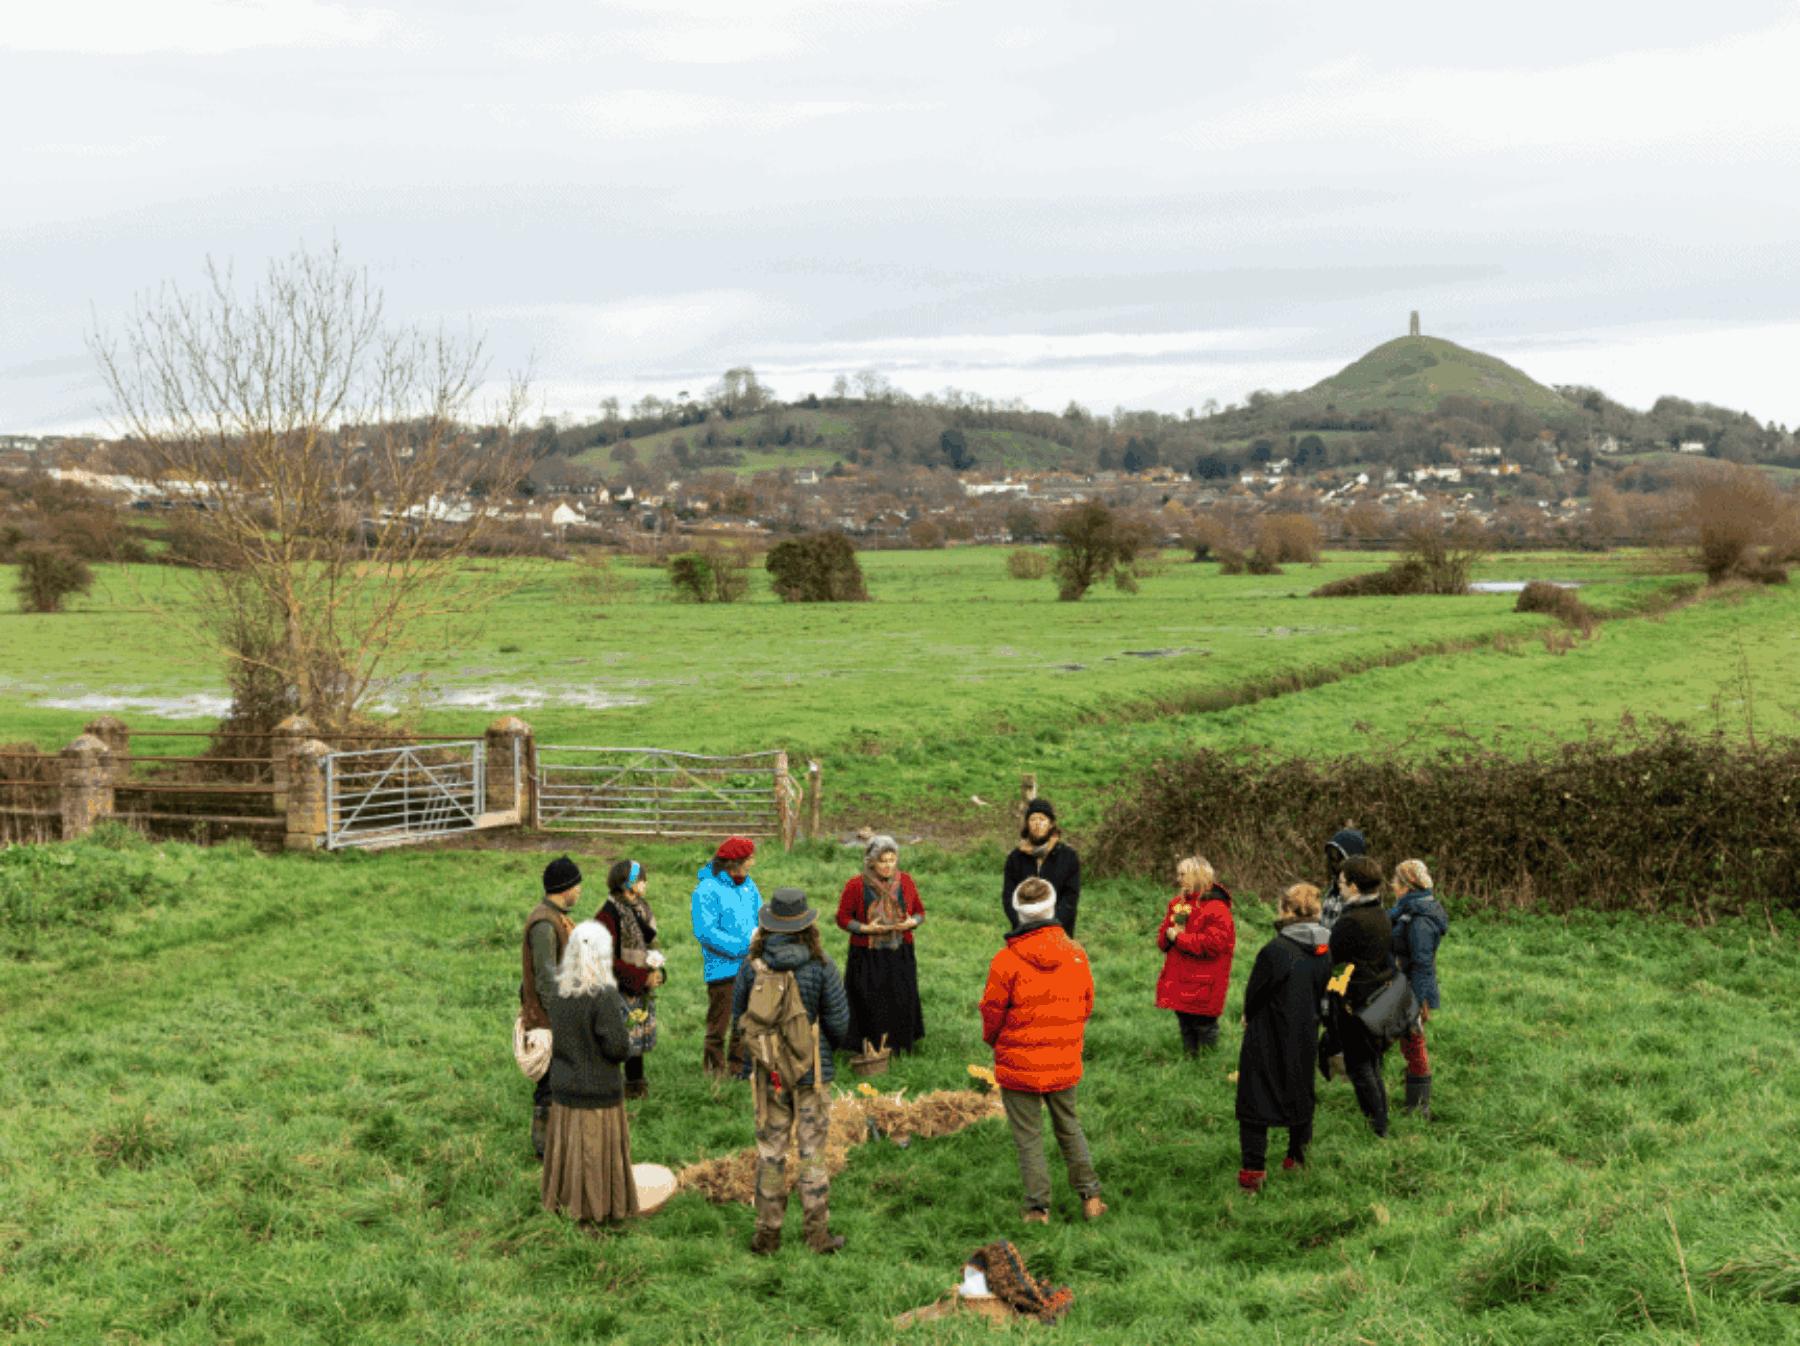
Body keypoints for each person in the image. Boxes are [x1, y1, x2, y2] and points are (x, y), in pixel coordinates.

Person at [731, 887, 852, 1255]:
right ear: (806, 924)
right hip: (813, 1074)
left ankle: (767, 1235)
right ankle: (817, 1235)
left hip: (769, 1074)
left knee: (771, 1153)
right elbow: (841, 1023)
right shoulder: (822, 965)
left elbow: (739, 1021)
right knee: (812, 1153)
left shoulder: (752, 967)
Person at [981, 876, 1104, 1224]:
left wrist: (996, 1041)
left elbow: (991, 1012)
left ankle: (1038, 1208)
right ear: (1051, 908)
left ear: (1018, 911)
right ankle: (1091, 1197)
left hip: (1018, 1060)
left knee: (1028, 1136)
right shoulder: (1076, 954)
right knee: (1069, 1125)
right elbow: (1086, 1004)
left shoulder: (1005, 961)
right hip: (1063, 1058)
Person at [1234, 883, 1333, 1192]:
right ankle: (1297, 1157)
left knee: (1255, 1096)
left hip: (1269, 1032)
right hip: (1305, 1031)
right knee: (1300, 1089)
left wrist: (1248, 1015)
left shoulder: (1276, 951)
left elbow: (1256, 992)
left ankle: (1253, 1171)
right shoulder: (1325, 949)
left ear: (1287, 911)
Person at [541, 919, 640, 1225]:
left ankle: (564, 1201)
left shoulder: (558, 992)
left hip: (565, 1088)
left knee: (570, 1155)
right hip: (598, 1093)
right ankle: (596, 1211)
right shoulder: (603, 996)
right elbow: (616, 1048)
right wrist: (628, 1038)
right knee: (594, 1157)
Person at [1327, 855, 1399, 1136]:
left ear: (1354, 887)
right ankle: (1380, 1120)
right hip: (1378, 996)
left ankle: (1378, 1127)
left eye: (1342, 882)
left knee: (1359, 1067)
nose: (1339, 887)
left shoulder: (1351, 921)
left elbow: (1334, 959)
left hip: (1356, 1001)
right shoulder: (1381, 913)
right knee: (1370, 1063)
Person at [834, 834, 926, 1055]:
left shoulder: (906, 882)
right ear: (871, 862)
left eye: (892, 860)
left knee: (900, 996)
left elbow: (920, 912)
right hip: (867, 954)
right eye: (883, 861)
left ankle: (900, 1045)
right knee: (870, 999)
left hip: (900, 950)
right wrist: (866, 929)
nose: (888, 866)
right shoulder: (856, 885)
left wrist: (911, 922)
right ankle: (868, 1046)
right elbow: (842, 918)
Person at [520, 855, 583, 1157]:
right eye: (576, 885)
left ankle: (560, 1144)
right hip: (548, 1019)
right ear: (564, 887)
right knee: (549, 1085)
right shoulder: (544, 924)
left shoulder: (557, 918)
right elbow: (546, 979)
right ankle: (544, 1150)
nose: (580, 890)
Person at [691, 836, 761, 1078]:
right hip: (722, 968)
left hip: (750, 964)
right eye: (750, 858)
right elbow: (706, 932)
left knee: (746, 1018)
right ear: (735, 862)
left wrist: (760, 939)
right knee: (719, 1023)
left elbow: (759, 916)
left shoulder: (749, 886)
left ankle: (738, 1067)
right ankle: (713, 1070)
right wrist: (743, 946)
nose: (753, 862)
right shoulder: (706, 890)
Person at [597, 858, 665, 1100]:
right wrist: (640, 978)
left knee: (636, 1037)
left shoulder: (641, 909)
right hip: (618, 987)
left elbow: (651, 945)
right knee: (619, 1038)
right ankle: (610, 1087)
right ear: (629, 884)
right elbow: (606, 959)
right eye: (641, 880)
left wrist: (656, 971)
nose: (645, 884)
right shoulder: (608, 916)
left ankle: (636, 1086)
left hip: (639, 986)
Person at [1155, 856, 1236, 1056]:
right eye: (1178, 874)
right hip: (1180, 978)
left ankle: (1208, 1067)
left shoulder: (1217, 908)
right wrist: (1169, 935)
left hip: (1204, 981)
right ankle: (1191, 1064)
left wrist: (1180, 938)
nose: (1178, 879)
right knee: (1185, 1024)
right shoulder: (1177, 904)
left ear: (1198, 875)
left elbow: (1213, 945)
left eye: (1183, 874)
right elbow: (1163, 940)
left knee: (1204, 1026)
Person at [1389, 859, 1449, 1120]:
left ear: (1407, 886)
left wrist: (1420, 1000)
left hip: (1412, 988)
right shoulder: (1407, 910)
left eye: (1395, 881)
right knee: (1406, 1041)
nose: (1391, 885)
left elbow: (1423, 962)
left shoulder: (1420, 919)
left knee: (1413, 1041)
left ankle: (1420, 1107)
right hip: (1401, 983)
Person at [1001, 799, 1081, 936]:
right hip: (1023, 931)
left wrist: (1053, 924)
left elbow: (1070, 897)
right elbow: (1009, 895)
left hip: (1058, 931)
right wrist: (1021, 923)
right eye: (1033, 819)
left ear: (1051, 824)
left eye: (1043, 819)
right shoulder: (1015, 858)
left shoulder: (1068, 857)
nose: (1038, 824)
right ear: (1027, 824)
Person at [1320, 828, 1367, 928]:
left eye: (1338, 857)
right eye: (1331, 857)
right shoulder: (1332, 891)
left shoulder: (1362, 896)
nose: (1334, 863)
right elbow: (1323, 931)